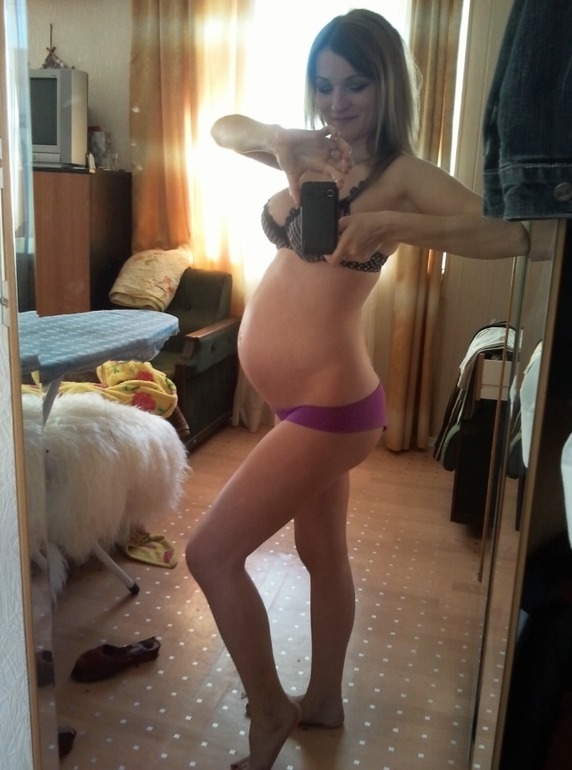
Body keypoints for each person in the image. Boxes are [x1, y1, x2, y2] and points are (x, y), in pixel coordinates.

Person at [185, 9, 529, 770]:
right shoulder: (314, 146)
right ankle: (326, 700)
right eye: (324, 84)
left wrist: (396, 226)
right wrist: (282, 139)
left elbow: (513, 234)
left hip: (334, 406)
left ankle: (270, 710)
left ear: (387, 87)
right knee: (321, 552)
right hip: (299, 402)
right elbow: (221, 129)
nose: (337, 102)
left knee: (209, 555)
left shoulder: (400, 174)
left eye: (356, 85)